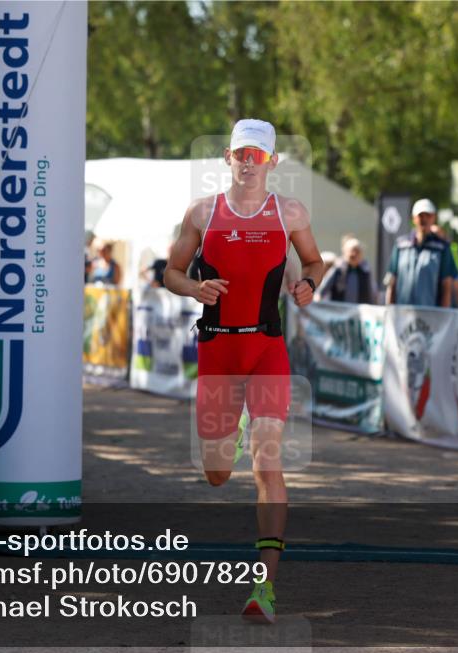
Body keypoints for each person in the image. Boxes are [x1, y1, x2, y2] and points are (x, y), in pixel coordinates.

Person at [164, 118, 325, 624]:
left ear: (273, 161)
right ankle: (228, 434)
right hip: (217, 355)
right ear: (228, 158)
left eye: (259, 154)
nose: (249, 161)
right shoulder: (203, 212)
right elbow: (171, 271)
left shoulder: (290, 212)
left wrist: (309, 285)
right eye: (241, 153)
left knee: (267, 464)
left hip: (266, 353)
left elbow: (315, 262)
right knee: (216, 475)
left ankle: (264, 587)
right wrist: (193, 289)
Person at [384, 198, 458, 307]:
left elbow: (446, 285)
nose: (424, 219)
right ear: (414, 218)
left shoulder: (442, 248)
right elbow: (391, 280)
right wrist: (389, 310)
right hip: (403, 312)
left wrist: (443, 315)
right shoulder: (401, 245)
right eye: (420, 216)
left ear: (434, 218)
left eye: (428, 216)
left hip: (430, 314)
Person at [317, 236, 377, 304]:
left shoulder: (366, 271)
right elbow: (321, 291)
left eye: (357, 252)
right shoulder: (339, 269)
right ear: (345, 252)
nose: (354, 254)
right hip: (340, 312)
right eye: (352, 251)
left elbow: (373, 294)